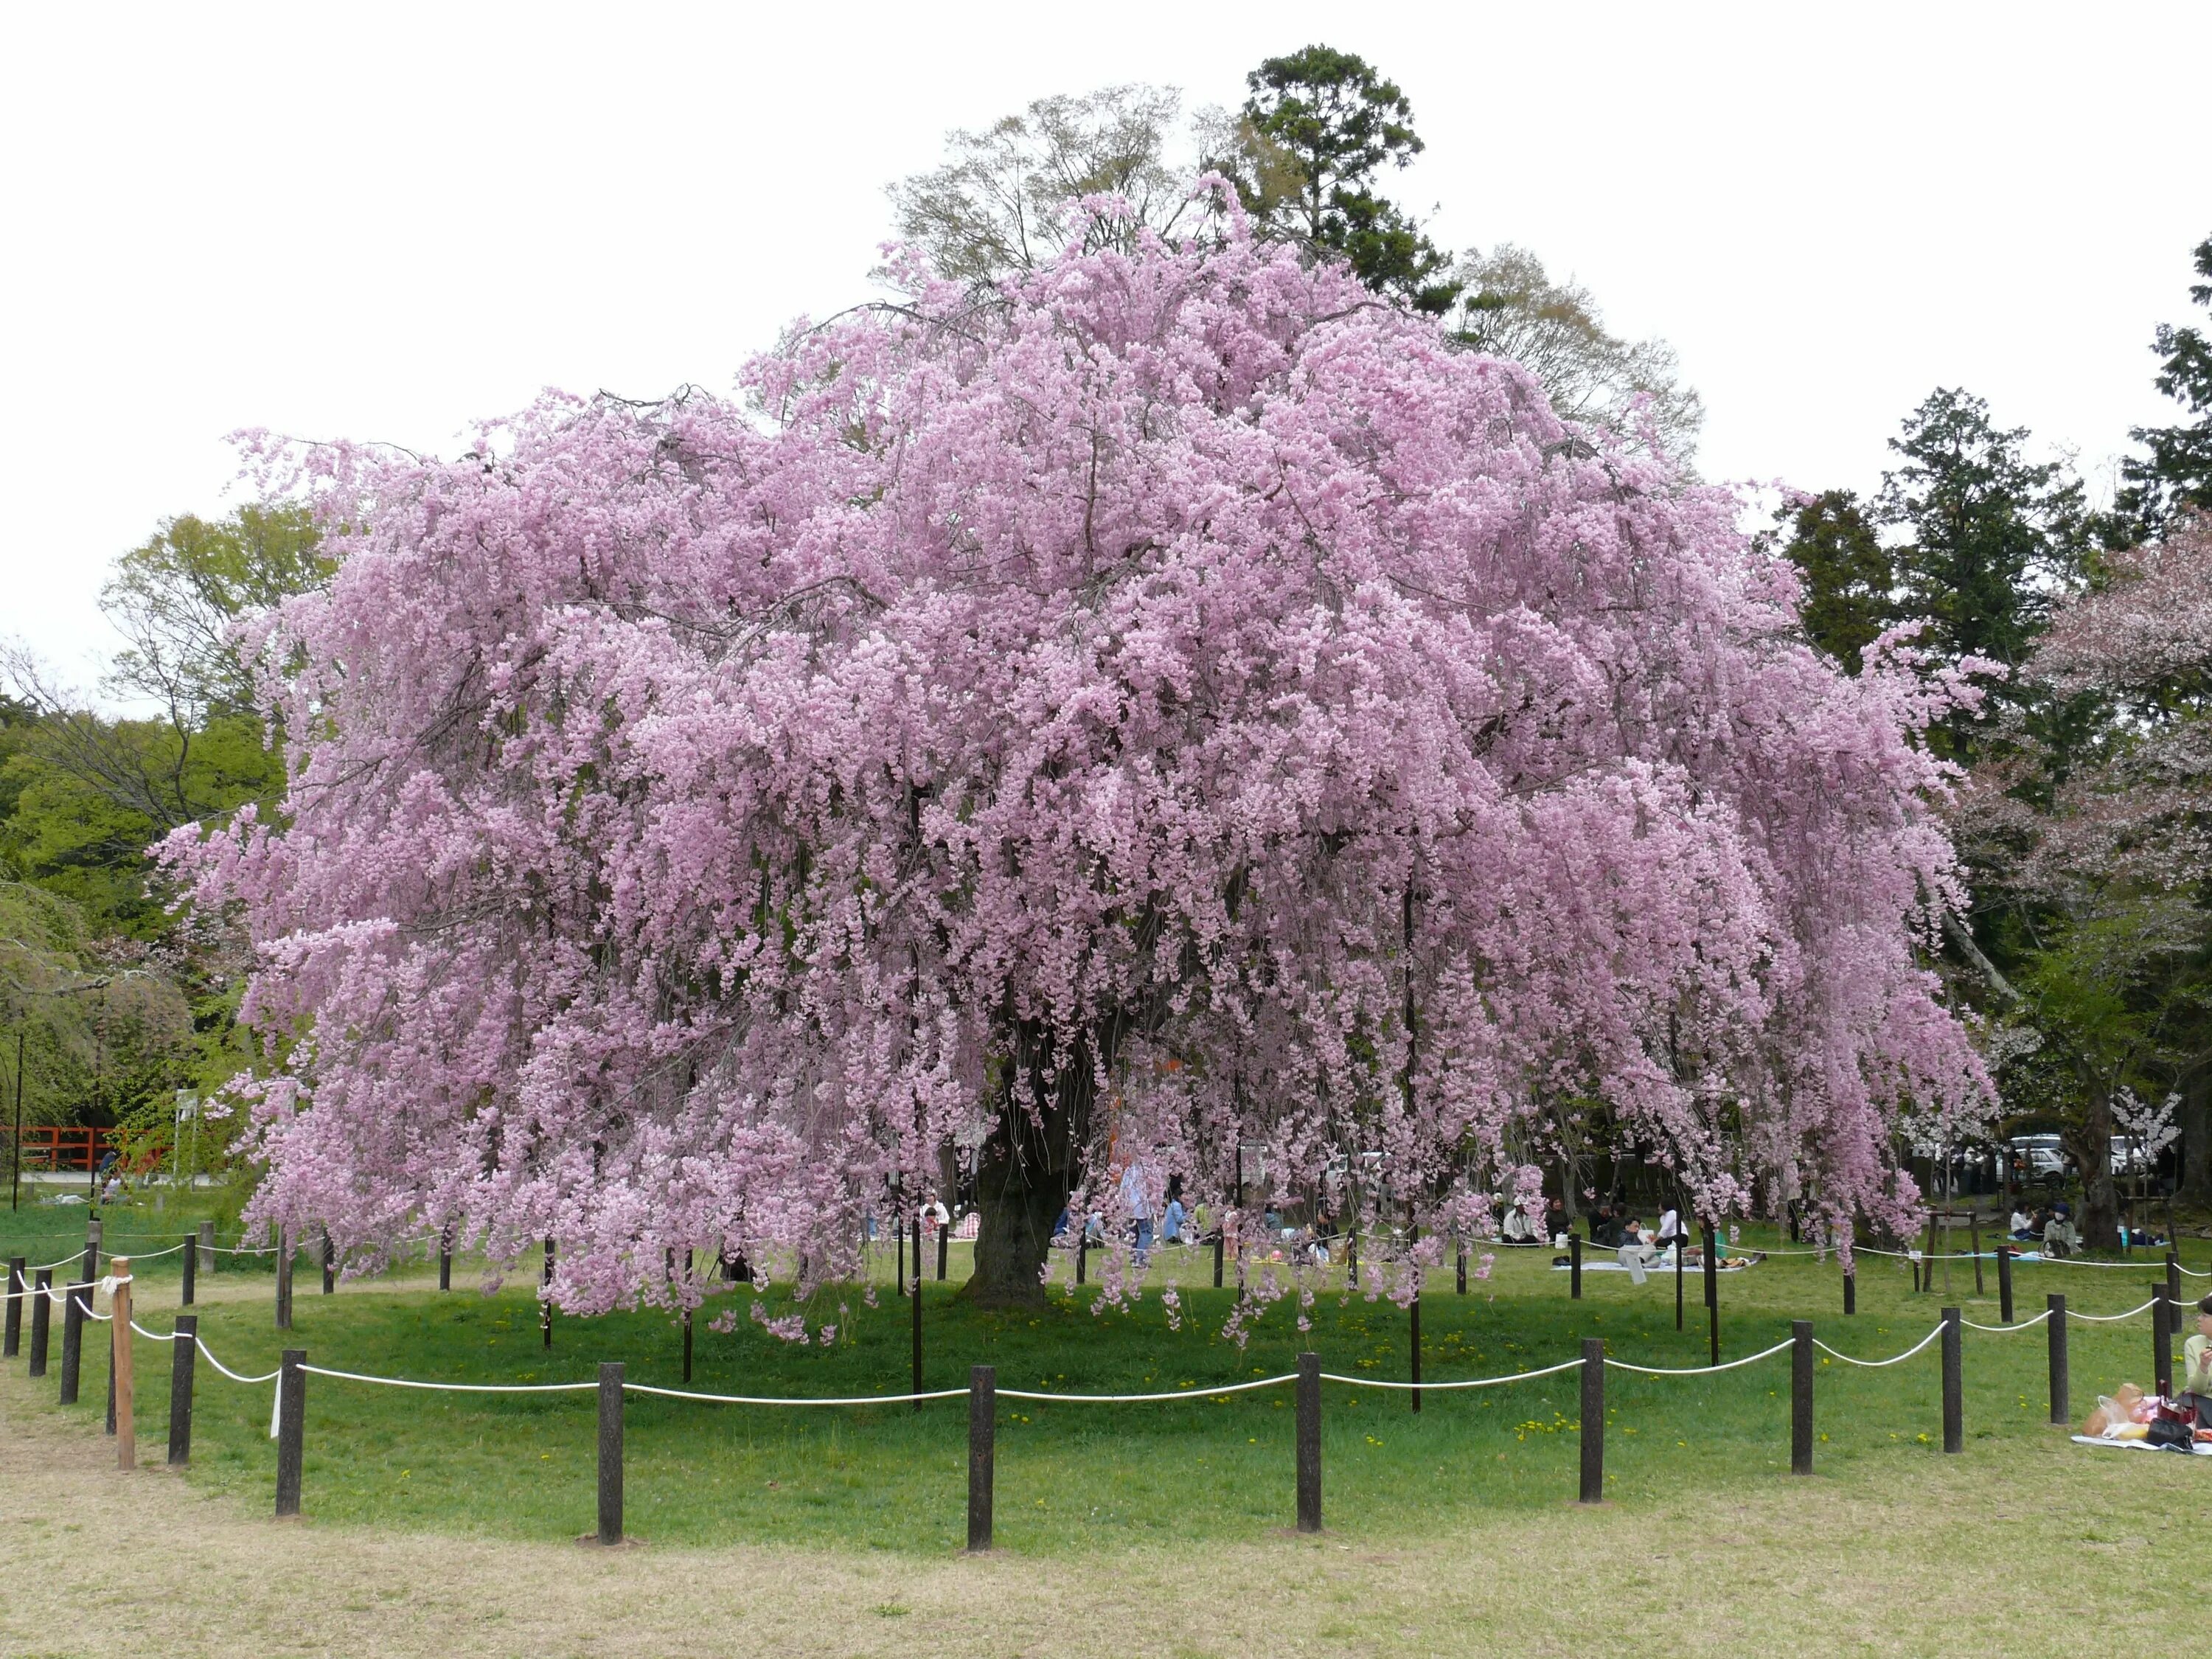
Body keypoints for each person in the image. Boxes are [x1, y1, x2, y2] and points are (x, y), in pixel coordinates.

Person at [2180, 1296, 2212, 1421]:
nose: (2199, 1319)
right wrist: (2203, 1366)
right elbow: (2197, 1389)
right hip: (2201, 1402)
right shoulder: (2193, 1344)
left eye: (2205, 1316)